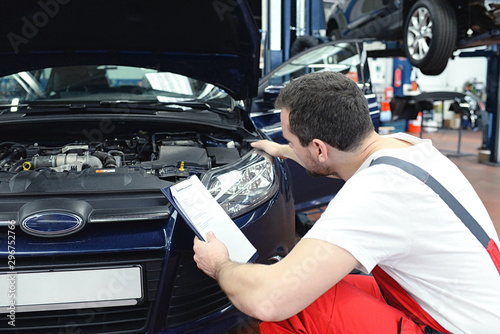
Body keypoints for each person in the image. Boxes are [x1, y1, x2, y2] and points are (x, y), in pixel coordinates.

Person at [193, 71, 500, 333]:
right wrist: (285, 151)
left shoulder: (373, 195)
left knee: (291, 303)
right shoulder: (408, 148)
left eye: (290, 140)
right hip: (471, 310)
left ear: (319, 149)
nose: (288, 145)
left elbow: (267, 299)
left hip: (449, 327)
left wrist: (219, 264)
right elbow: (343, 164)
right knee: (318, 284)